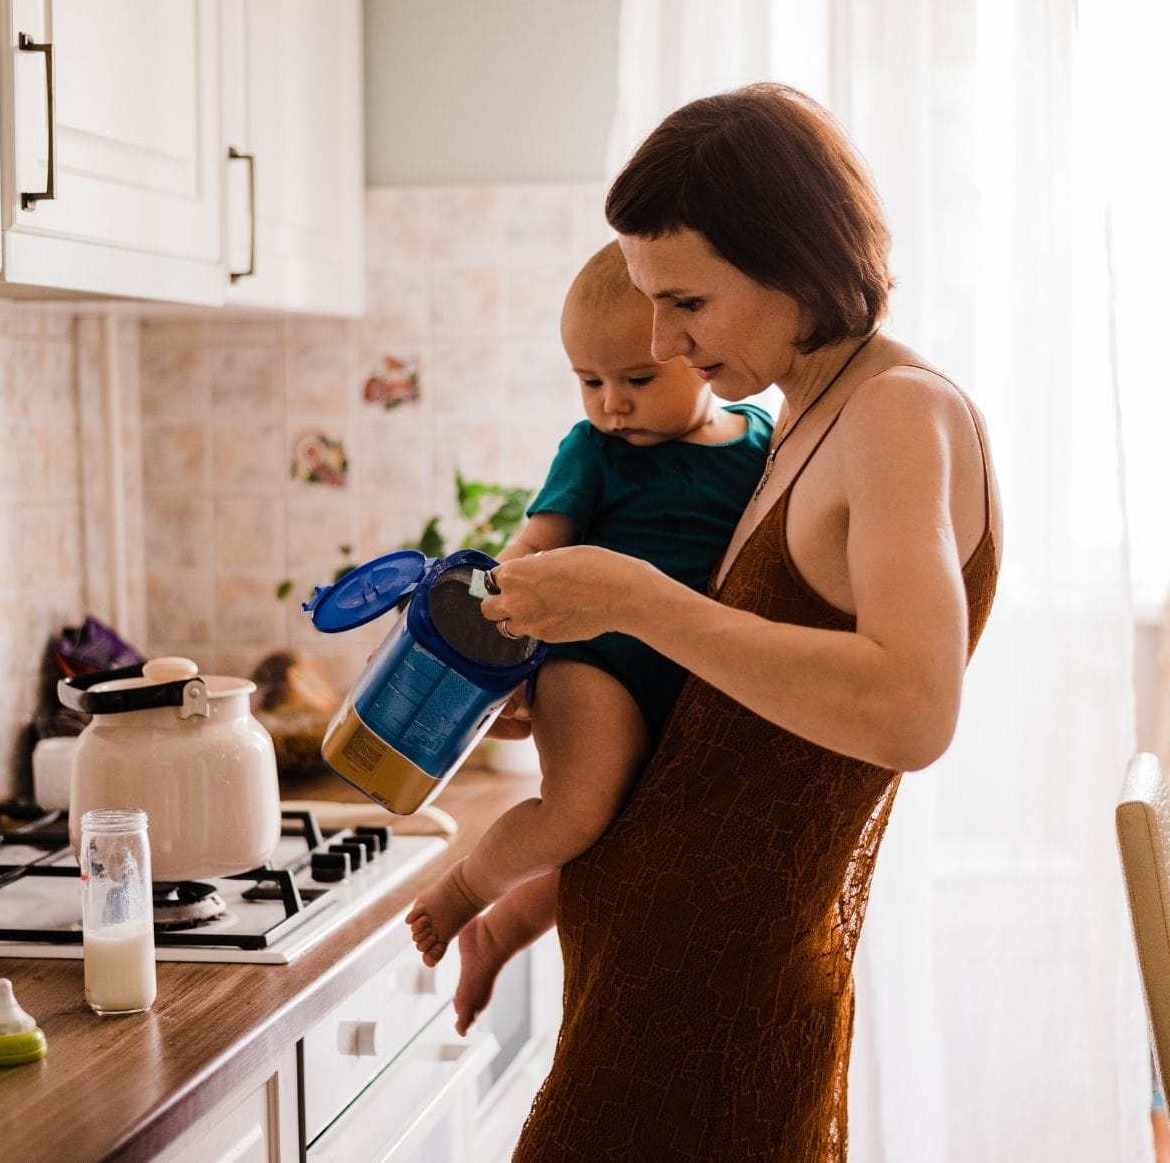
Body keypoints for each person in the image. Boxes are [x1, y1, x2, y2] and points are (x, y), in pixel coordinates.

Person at [475, 83, 1003, 1163]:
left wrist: (630, 597)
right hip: (659, 974)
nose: (664, 342)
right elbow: (739, 717)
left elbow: (911, 710)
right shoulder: (799, 411)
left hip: (721, 1004)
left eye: (689, 303)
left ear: (796, 260)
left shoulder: (901, 413)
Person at [405, 241, 774, 1007]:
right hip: (595, 665)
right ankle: (468, 890)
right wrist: (489, 630)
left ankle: (503, 932)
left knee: (625, 841)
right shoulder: (595, 452)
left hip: (692, 672)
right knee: (577, 813)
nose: (612, 402)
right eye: (589, 381)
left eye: (637, 379)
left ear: (695, 353)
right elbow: (535, 547)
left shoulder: (763, 440)